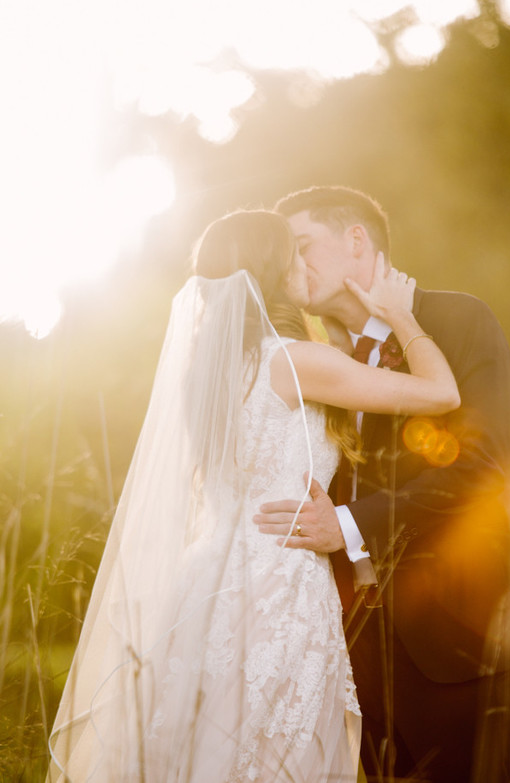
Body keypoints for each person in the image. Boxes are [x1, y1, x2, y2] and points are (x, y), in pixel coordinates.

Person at [47, 209, 460, 783]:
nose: (302, 262)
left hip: (206, 577)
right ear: (271, 269)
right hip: (278, 578)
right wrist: (401, 316)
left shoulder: (204, 373)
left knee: (199, 746)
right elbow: (441, 394)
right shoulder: (294, 362)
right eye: (292, 253)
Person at [253, 186, 510, 783]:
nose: (293, 268)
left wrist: (342, 525)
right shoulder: (312, 357)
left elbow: (481, 468)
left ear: (356, 241)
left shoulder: (456, 317)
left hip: (461, 635)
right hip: (355, 643)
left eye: (303, 247)